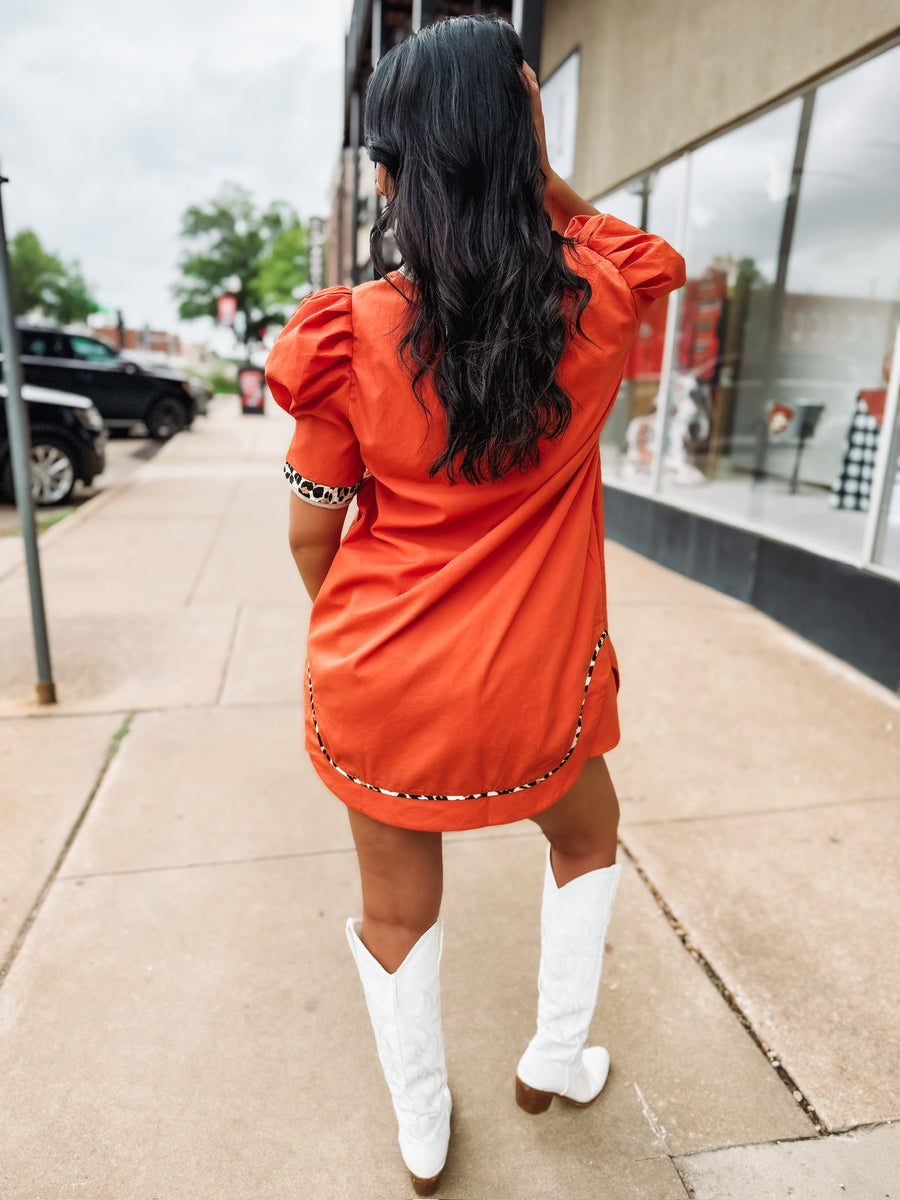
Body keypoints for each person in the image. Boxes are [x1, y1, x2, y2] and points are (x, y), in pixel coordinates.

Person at [266, 15, 685, 1196]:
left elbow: (311, 529)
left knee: (396, 912)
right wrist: (538, 169)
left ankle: (423, 1129)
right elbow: (649, 251)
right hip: (539, 688)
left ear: (403, 171)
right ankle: (555, 1057)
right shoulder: (595, 305)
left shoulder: (350, 336)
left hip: (381, 685)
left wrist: (364, 623)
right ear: (514, 138)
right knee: (586, 835)